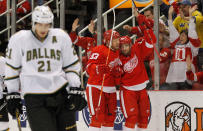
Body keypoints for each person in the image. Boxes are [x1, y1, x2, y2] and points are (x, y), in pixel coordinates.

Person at [4, 5, 86, 131]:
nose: (43, 28)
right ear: (33, 22)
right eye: (40, 24)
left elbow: (71, 65)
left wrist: (75, 87)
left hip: (61, 94)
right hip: (35, 98)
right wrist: (12, 93)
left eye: (47, 24)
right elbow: (12, 69)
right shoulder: (19, 39)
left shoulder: (61, 37)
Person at [119, 30, 156, 131]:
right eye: (122, 46)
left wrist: (146, 29)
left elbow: (150, 42)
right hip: (128, 90)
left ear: (130, 45)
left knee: (144, 117)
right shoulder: (117, 58)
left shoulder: (137, 48)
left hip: (142, 89)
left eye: (126, 45)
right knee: (132, 117)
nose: (124, 48)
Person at [86, 29, 121, 131]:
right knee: (97, 118)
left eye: (118, 39)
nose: (117, 42)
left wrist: (118, 72)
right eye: (115, 40)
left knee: (110, 119)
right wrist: (97, 68)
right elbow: (88, 68)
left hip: (111, 89)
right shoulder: (99, 50)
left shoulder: (118, 52)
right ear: (107, 41)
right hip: (96, 87)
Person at [166, 6, 201, 89]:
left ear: (188, 37)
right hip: (174, 78)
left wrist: (190, 14)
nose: (181, 37)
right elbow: (172, 29)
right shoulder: (176, 44)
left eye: (183, 36)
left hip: (186, 78)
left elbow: (192, 31)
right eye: (180, 35)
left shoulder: (192, 47)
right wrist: (170, 15)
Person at [0, 54, 9, 131]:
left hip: (0, 98)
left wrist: (7, 91)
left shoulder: (1, 60)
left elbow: (6, 77)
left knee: (2, 125)